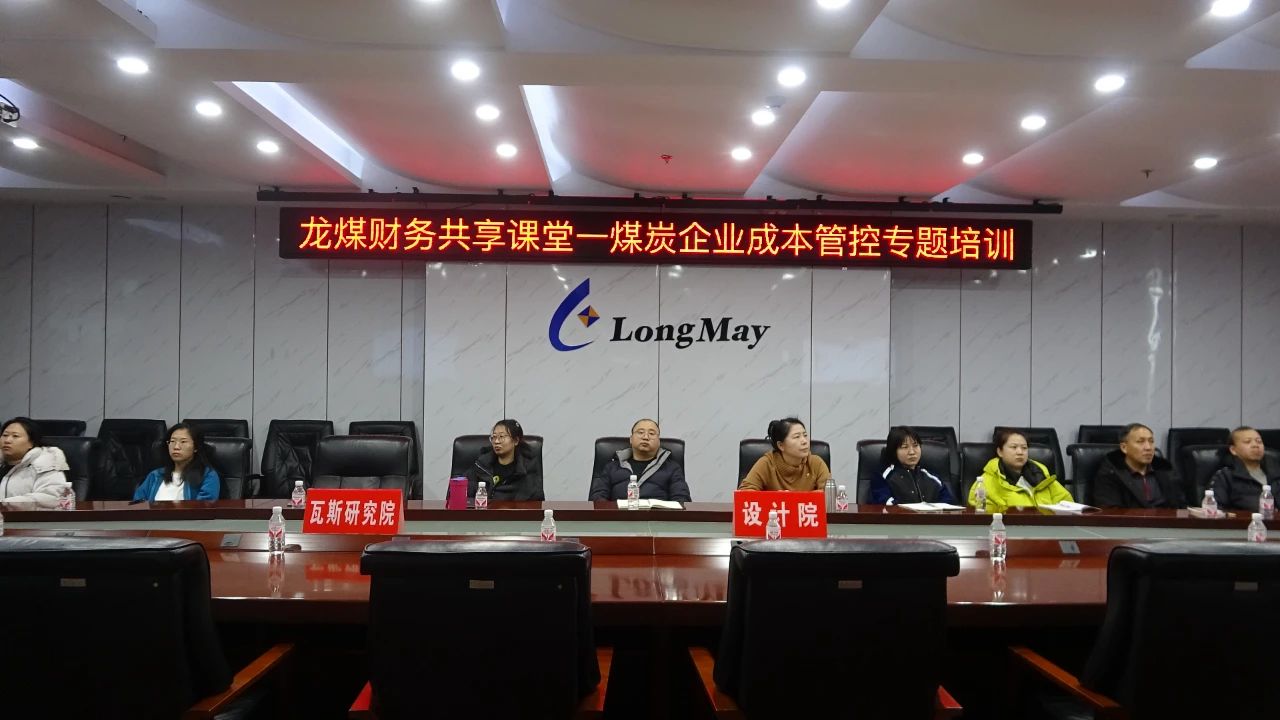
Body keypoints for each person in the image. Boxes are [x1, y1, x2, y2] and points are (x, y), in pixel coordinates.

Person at [968, 428, 1072, 512]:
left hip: (1048, 529)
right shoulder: (985, 483)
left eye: (1024, 448)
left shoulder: (1042, 476)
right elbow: (982, 518)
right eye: (1014, 447)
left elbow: (1068, 505)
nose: (1020, 452)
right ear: (1000, 452)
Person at [589, 418, 691, 502]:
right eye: (640, 432)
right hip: (618, 518)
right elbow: (597, 497)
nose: (645, 437)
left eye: (652, 433)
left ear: (659, 441)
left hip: (657, 518)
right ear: (631, 439)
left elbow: (682, 499)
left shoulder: (672, 468)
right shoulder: (612, 467)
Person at [1092, 423, 1185, 508]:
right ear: (1124, 447)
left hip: (1167, 521)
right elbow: (1111, 512)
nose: (1148, 447)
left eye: (1151, 441)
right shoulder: (1110, 474)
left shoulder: (1165, 470)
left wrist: (1184, 519)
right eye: (1140, 441)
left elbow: (1181, 507)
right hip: (1131, 521)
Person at [867, 426, 956, 505]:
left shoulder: (932, 477)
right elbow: (886, 504)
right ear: (894, 451)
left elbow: (949, 504)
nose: (912, 452)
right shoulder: (882, 477)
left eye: (915, 445)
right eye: (905, 447)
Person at [133, 423, 220, 502]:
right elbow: (138, 504)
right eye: (172, 441)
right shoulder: (155, 475)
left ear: (196, 447)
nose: (176, 447)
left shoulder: (207, 475)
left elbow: (203, 508)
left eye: (183, 442)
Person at [738, 417, 830, 491]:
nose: (804, 441)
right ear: (781, 445)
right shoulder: (767, 464)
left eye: (805, 435)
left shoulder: (816, 463)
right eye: (797, 437)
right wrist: (778, 499)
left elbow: (828, 495)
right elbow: (745, 492)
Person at [0, 417, 72, 507]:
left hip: (26, 516)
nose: (7, 440)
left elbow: (51, 498)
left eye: (15, 436)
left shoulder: (46, 463)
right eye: (5, 435)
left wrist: (5, 504)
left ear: (31, 442)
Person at [466, 419, 544, 501]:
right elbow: (463, 486)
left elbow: (536, 500)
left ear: (516, 441)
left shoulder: (527, 469)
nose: (496, 441)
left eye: (501, 437)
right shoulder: (482, 464)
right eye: (494, 437)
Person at [1210, 426, 1280, 511]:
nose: (1255, 445)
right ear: (1233, 450)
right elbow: (1215, 510)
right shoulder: (1225, 476)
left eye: (1259, 441)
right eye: (1247, 442)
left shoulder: (1276, 473)